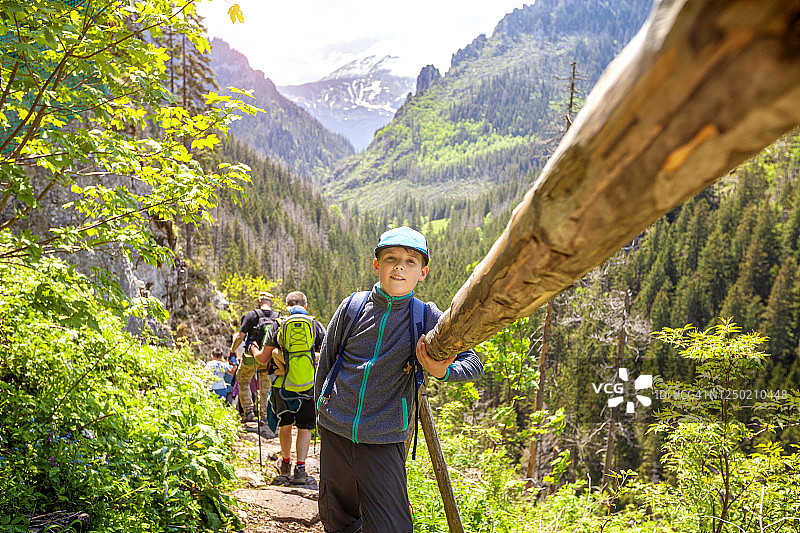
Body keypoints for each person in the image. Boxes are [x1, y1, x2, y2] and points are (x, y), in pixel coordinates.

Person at [313, 226, 484, 533]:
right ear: (377, 264)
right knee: (337, 519)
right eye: (391, 258)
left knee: (392, 526)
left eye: (411, 261)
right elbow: (326, 363)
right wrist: (321, 415)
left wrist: (440, 369)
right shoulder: (353, 307)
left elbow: (473, 364)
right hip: (334, 430)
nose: (399, 267)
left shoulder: (426, 317)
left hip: (384, 439)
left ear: (423, 272)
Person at [254, 291, 326, 485]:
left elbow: (263, 358)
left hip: (282, 385)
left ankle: (285, 464)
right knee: (305, 427)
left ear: (286, 305)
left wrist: (253, 349)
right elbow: (328, 355)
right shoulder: (315, 325)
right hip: (309, 385)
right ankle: (301, 469)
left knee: (285, 424)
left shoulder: (278, 325)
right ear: (306, 305)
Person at [229, 291, 280, 423]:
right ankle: (264, 415)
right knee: (265, 387)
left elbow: (240, 336)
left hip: (251, 357)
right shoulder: (277, 317)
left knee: (243, 380)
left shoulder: (251, 315)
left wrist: (232, 351)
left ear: (259, 300)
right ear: (271, 303)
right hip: (269, 358)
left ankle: (249, 412)